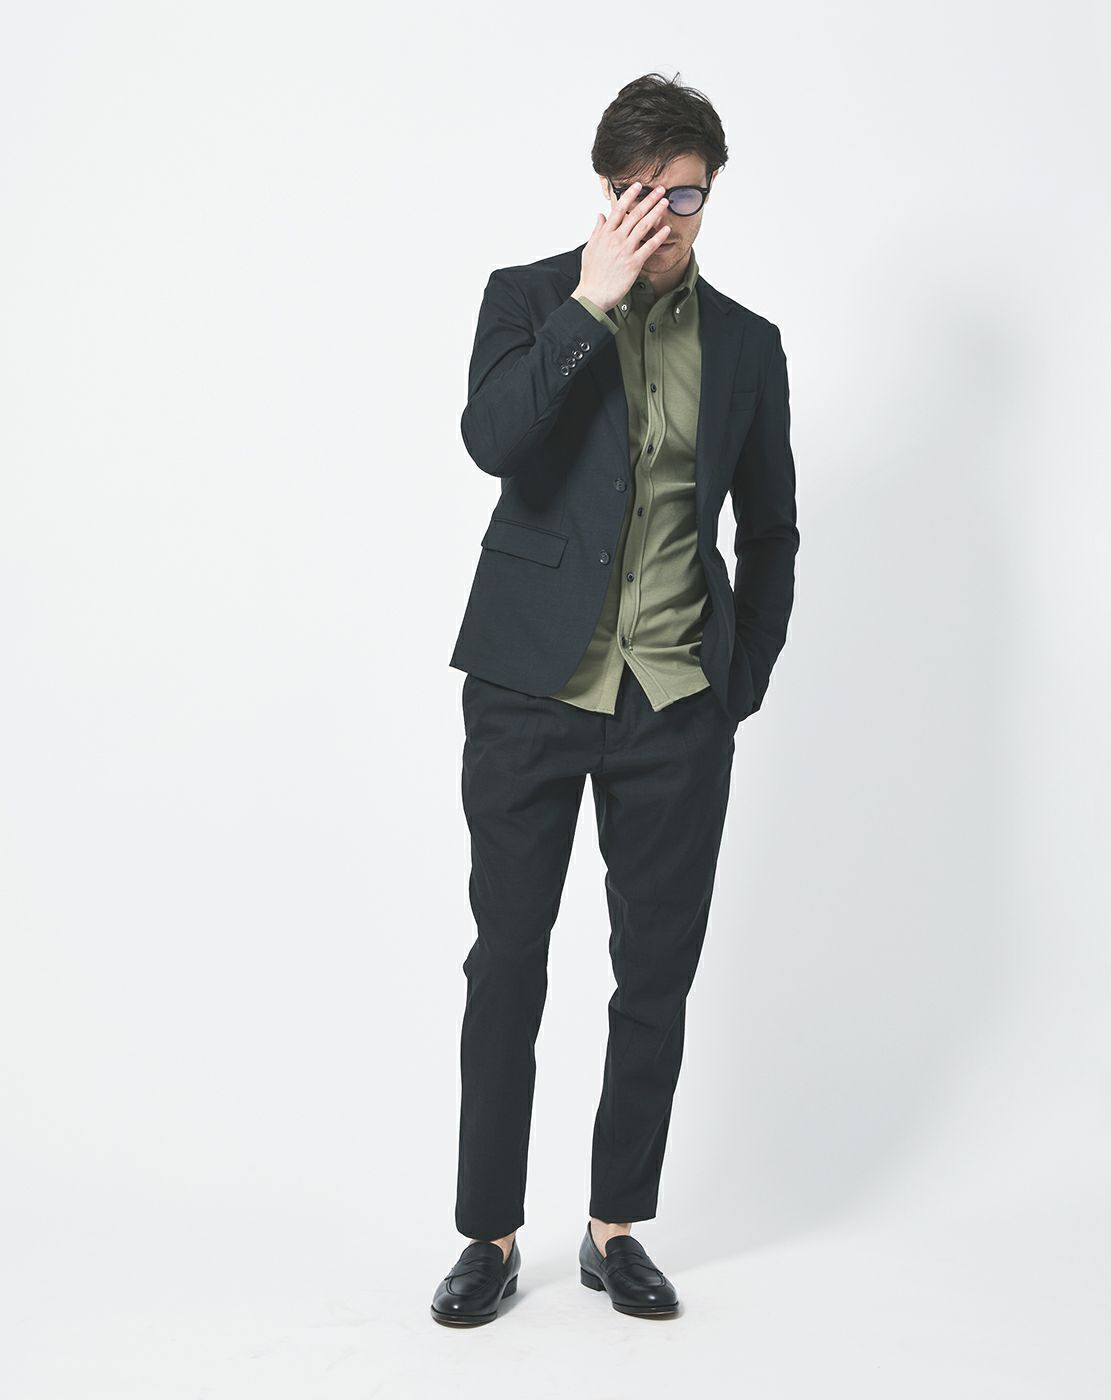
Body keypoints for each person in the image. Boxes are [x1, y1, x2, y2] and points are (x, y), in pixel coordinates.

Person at [431, 71, 799, 1326]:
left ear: (711, 194)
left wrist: (736, 684)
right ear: (605, 192)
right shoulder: (529, 297)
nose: (662, 216)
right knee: (508, 961)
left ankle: (614, 1226)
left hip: (676, 700)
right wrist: (590, 303)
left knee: (655, 972)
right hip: (531, 686)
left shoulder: (746, 344)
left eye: (682, 195)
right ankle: (489, 1232)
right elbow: (492, 439)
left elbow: (771, 528)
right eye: (640, 193)